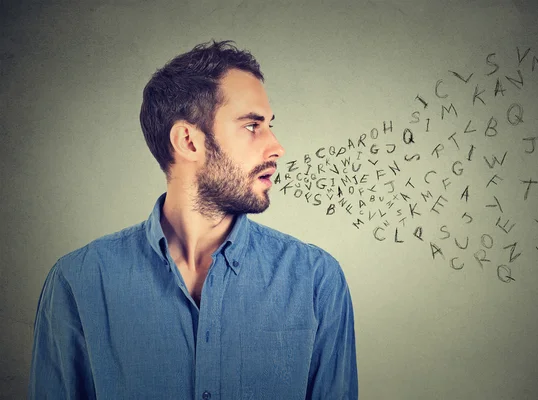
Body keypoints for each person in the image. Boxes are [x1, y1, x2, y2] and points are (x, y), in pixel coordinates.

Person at [28, 40, 358, 399]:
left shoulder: (315, 280)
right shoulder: (79, 282)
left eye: (269, 125)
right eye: (252, 125)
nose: (276, 146)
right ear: (188, 140)